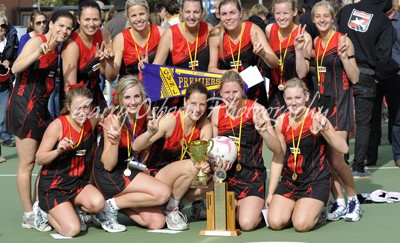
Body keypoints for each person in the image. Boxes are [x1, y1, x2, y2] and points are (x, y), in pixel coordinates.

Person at [8, 10, 75, 231]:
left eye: (68, 28)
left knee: (46, 160)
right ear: (51, 25)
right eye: (60, 26)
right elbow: (16, 68)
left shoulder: (59, 50)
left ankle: (38, 207)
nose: (64, 31)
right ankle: (28, 214)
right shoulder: (38, 41)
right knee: (27, 163)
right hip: (22, 108)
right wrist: (38, 51)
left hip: (40, 109)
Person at [266, 78, 348, 232]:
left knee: (301, 225)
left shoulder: (317, 118)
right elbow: (278, 158)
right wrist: (270, 193)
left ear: (306, 97)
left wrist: (326, 130)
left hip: (315, 180)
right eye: (289, 98)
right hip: (291, 180)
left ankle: (318, 211)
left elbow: (344, 148)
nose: (293, 102)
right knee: (275, 223)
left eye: (298, 98)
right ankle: (300, 207)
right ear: (284, 99)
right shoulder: (280, 121)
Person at [92, 75, 171, 232]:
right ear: (120, 99)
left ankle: (111, 205)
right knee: (163, 193)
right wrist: (114, 143)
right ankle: (111, 206)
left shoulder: (145, 112)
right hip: (110, 174)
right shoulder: (113, 119)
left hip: (128, 168)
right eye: (127, 97)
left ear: (142, 97)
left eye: (137, 96)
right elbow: (108, 165)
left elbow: (139, 145)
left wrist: (150, 134)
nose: (133, 102)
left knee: (157, 222)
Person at [132, 81, 213, 231]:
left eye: (202, 104)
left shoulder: (205, 125)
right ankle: (171, 209)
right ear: (184, 101)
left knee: (212, 182)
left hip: (180, 178)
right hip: (155, 176)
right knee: (191, 166)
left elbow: (201, 158)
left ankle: (174, 204)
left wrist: (206, 164)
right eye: (193, 103)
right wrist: (150, 132)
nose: (197, 109)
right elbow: (136, 146)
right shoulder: (170, 121)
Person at [210, 70, 283, 231]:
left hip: (252, 176)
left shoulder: (257, 110)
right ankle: (238, 205)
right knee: (222, 223)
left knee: (246, 224)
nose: (231, 96)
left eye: (235, 91)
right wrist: (216, 166)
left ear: (243, 90)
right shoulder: (216, 113)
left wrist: (264, 131)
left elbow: (277, 149)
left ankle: (257, 208)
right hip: (226, 178)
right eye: (227, 92)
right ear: (220, 93)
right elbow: (212, 149)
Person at [337, 0, 395, 177]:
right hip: (366, 73)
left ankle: (341, 161)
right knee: (363, 123)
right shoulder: (383, 21)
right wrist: (378, 75)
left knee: (341, 120)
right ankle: (358, 166)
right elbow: (384, 56)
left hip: (342, 68)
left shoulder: (346, 11)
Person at [312, 1, 362, 222]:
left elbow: (355, 77)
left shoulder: (343, 40)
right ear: (313, 19)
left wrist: (343, 58)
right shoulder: (314, 41)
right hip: (321, 104)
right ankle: (339, 201)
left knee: (337, 158)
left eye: (326, 16)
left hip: (340, 104)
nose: (322, 20)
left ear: (332, 17)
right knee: (325, 159)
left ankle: (353, 200)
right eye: (318, 17)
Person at [35, 86, 105, 237]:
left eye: (86, 107)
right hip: (54, 186)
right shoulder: (58, 125)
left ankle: (70, 209)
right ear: (68, 106)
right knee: (72, 230)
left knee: (98, 204)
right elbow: (39, 158)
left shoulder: (89, 122)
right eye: (77, 107)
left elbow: (105, 116)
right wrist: (57, 151)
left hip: (77, 183)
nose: (82, 112)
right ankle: (43, 211)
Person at [208, 0, 279, 107]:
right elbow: (211, 69)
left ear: (240, 13)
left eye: (232, 13)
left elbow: (275, 63)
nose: (228, 18)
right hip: (229, 95)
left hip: (254, 92)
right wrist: (227, 73)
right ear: (219, 16)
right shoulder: (216, 35)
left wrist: (262, 54)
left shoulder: (252, 29)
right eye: (224, 14)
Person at [366, 0, 400, 168]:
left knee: (397, 116)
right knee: (372, 118)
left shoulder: (398, 22)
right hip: (373, 75)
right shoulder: (371, 20)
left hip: (394, 74)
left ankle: (398, 154)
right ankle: (370, 156)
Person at [266, 0, 312, 118]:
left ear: (295, 12)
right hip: (276, 92)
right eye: (277, 13)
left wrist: (298, 50)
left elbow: (302, 73)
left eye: (285, 13)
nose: (281, 18)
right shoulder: (270, 29)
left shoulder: (304, 36)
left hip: (297, 95)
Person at [62, 0, 112, 111]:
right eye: (87, 19)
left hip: (96, 95)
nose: (91, 24)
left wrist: (107, 62)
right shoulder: (72, 45)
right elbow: (69, 90)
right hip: (77, 101)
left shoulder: (103, 34)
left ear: (101, 20)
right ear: (78, 20)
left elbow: (110, 77)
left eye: (95, 20)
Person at [106, 0, 165, 81]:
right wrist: (110, 62)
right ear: (128, 18)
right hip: (129, 90)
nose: (138, 19)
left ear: (148, 14)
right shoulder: (121, 39)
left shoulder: (162, 33)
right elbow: (111, 77)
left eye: (141, 14)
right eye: (133, 16)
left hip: (156, 89)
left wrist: (149, 68)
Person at [153, 0, 213, 71]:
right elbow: (156, 67)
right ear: (181, 12)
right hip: (177, 82)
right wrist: (145, 66)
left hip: (204, 83)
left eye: (196, 12)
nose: (191, 17)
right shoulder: (170, 34)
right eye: (187, 12)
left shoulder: (208, 29)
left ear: (202, 12)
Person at [0, 14, 18, 152]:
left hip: (5, 82)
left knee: (4, 111)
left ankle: (5, 136)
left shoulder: (11, 40)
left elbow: (17, 59)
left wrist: (10, 63)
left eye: (3, 25)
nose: (1, 28)